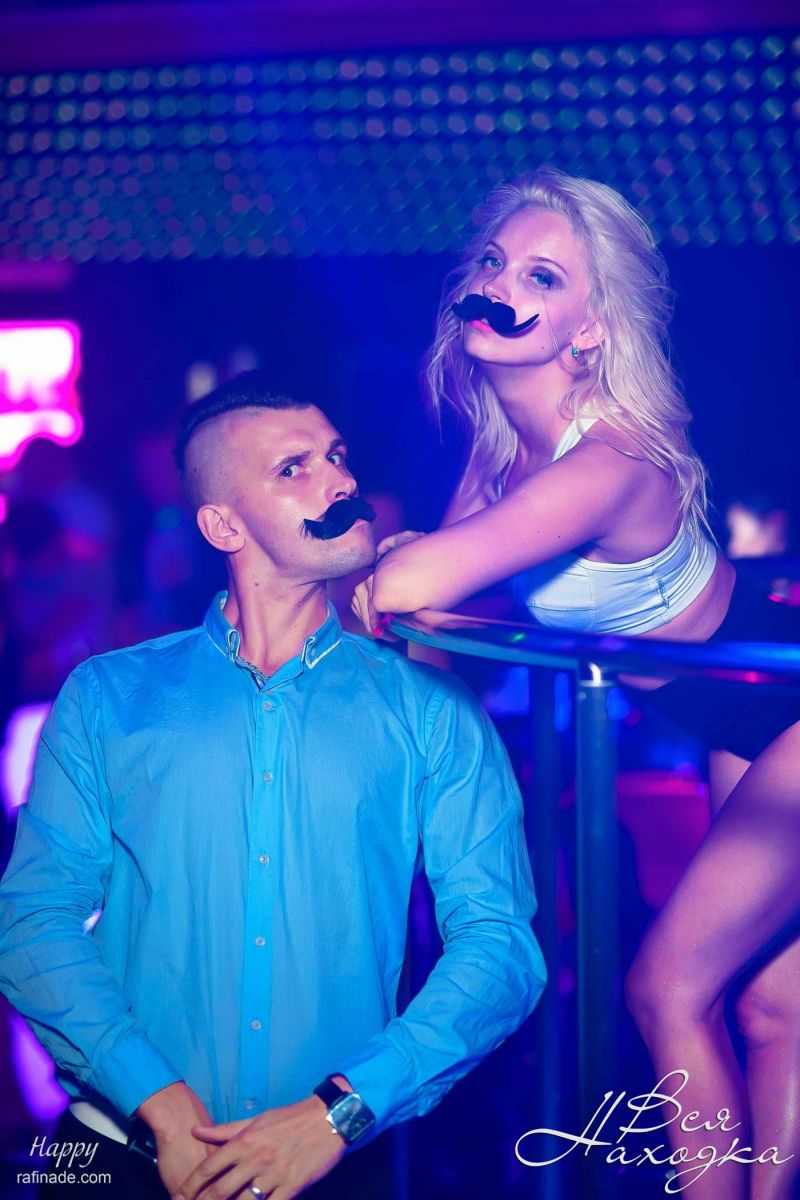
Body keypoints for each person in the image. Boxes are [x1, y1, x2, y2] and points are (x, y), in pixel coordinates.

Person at [352, 167, 800, 1200]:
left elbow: (411, 585)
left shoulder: (609, 461)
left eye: (541, 276)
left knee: (666, 989)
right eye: (493, 262)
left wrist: (399, 561)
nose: (499, 285)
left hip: (783, 697)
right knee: (769, 1007)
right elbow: (434, 633)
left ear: (590, 330)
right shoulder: (500, 449)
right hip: (731, 714)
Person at [0, 372, 545, 1200]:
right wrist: (158, 1101)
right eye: (295, 468)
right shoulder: (110, 696)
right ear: (223, 524)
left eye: (338, 456)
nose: (340, 482)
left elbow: (499, 947)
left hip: (332, 1169)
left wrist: (340, 1111)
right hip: (118, 1160)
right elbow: (32, 919)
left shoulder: (430, 710)